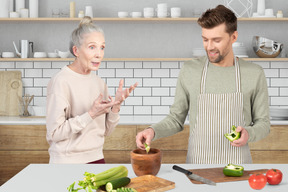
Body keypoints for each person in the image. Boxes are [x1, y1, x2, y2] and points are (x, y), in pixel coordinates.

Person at [136, 5, 270, 164]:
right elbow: (175, 119)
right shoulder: (190, 70)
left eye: (217, 40)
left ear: (234, 37)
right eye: (205, 39)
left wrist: (249, 133)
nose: (210, 47)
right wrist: (152, 131)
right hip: (198, 167)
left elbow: (263, 123)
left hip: (239, 167)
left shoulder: (254, 73)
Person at [46, 16, 137, 164]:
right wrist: (90, 114)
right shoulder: (61, 81)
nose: (99, 54)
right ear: (76, 50)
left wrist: (116, 106)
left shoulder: (99, 83)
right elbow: (54, 133)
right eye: (92, 47)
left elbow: (105, 131)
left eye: (102, 47)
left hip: (97, 159)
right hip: (67, 163)